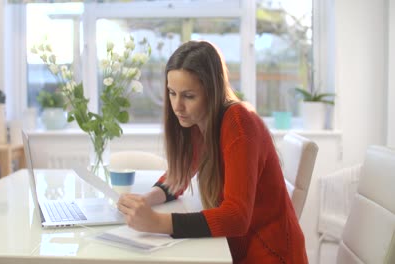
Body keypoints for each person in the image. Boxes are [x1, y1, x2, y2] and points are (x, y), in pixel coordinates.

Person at [117, 40, 308, 263]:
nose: (177, 106)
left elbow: (236, 217)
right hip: (235, 250)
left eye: (189, 96)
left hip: (270, 255)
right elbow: (179, 174)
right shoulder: (200, 121)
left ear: (212, 91)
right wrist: (145, 200)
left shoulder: (238, 123)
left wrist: (157, 223)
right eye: (172, 93)